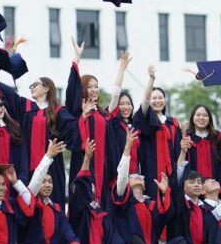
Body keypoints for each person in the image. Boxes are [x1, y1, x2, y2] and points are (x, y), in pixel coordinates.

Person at [0, 69, 74, 205]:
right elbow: (9, 93)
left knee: (52, 206)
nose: (32, 88)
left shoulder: (59, 111)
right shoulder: (26, 107)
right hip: (28, 166)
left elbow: (74, 130)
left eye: (35, 85)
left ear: (46, 88)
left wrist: (84, 116)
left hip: (52, 168)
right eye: (31, 86)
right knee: (28, 204)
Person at [110, 127, 171, 244]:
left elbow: (162, 220)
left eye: (141, 177)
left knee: (179, 240)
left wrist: (164, 193)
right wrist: (127, 148)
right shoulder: (124, 200)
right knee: (134, 236)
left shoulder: (151, 204)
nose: (138, 177)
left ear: (144, 186)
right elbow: (121, 177)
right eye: (133, 176)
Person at [67, 139, 132, 244]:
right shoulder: (76, 207)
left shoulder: (99, 210)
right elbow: (81, 187)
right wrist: (86, 159)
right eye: (85, 184)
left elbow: (112, 235)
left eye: (90, 184)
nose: (88, 186)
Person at [65, 38, 110, 205]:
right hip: (83, 163)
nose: (94, 90)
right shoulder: (77, 110)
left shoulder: (103, 114)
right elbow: (71, 90)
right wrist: (76, 59)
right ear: (83, 89)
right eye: (90, 86)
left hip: (102, 166)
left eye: (96, 86)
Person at [134, 64, 182, 199]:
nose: (157, 101)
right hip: (151, 171)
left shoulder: (173, 123)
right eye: (154, 98)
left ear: (165, 101)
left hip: (171, 172)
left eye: (160, 98)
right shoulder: (146, 120)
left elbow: (179, 151)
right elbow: (144, 101)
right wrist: (151, 80)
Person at [163, 167, 221, 244]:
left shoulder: (205, 210)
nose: (196, 185)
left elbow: (216, 231)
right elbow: (176, 186)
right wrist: (183, 155)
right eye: (191, 182)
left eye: (199, 182)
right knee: (181, 241)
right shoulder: (179, 205)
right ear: (182, 187)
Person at [103, 51, 135, 189]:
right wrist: (122, 70)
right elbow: (115, 95)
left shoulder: (135, 127)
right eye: (122, 104)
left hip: (136, 178)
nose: (125, 107)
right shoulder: (114, 124)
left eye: (128, 103)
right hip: (117, 178)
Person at [184, 104, 221, 186]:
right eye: (198, 115)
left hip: (214, 186)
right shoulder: (186, 138)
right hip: (192, 187)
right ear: (192, 117)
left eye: (205, 115)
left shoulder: (217, 137)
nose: (201, 118)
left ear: (209, 119)